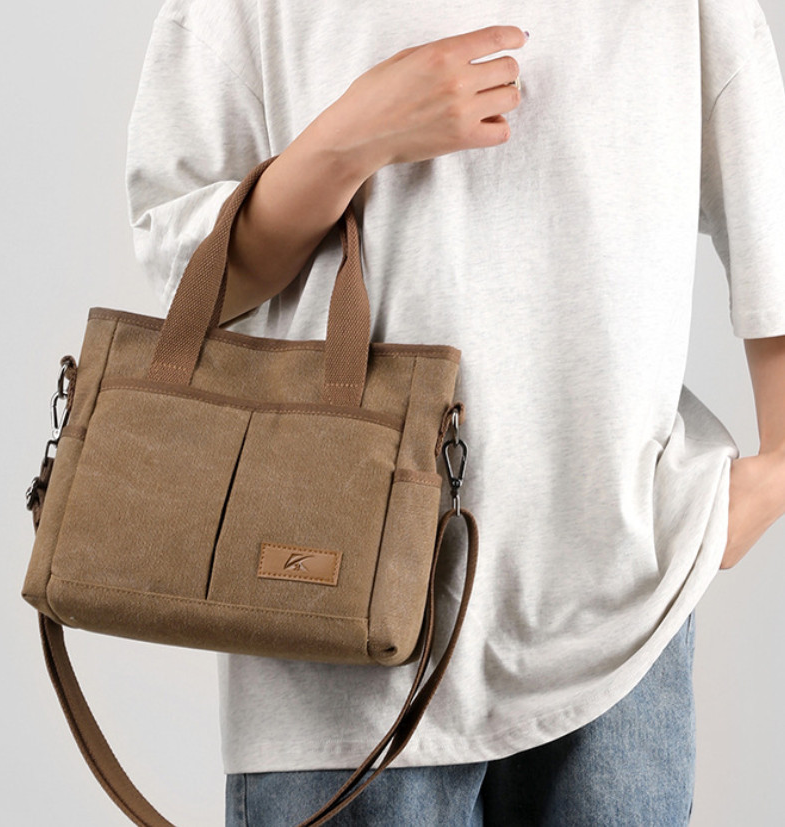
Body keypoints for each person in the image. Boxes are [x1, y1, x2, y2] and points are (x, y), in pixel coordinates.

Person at [124, 0, 785, 823]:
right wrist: (346, 142)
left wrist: (774, 473)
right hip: (333, 624)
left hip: (622, 609)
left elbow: (770, 207)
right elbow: (189, 272)